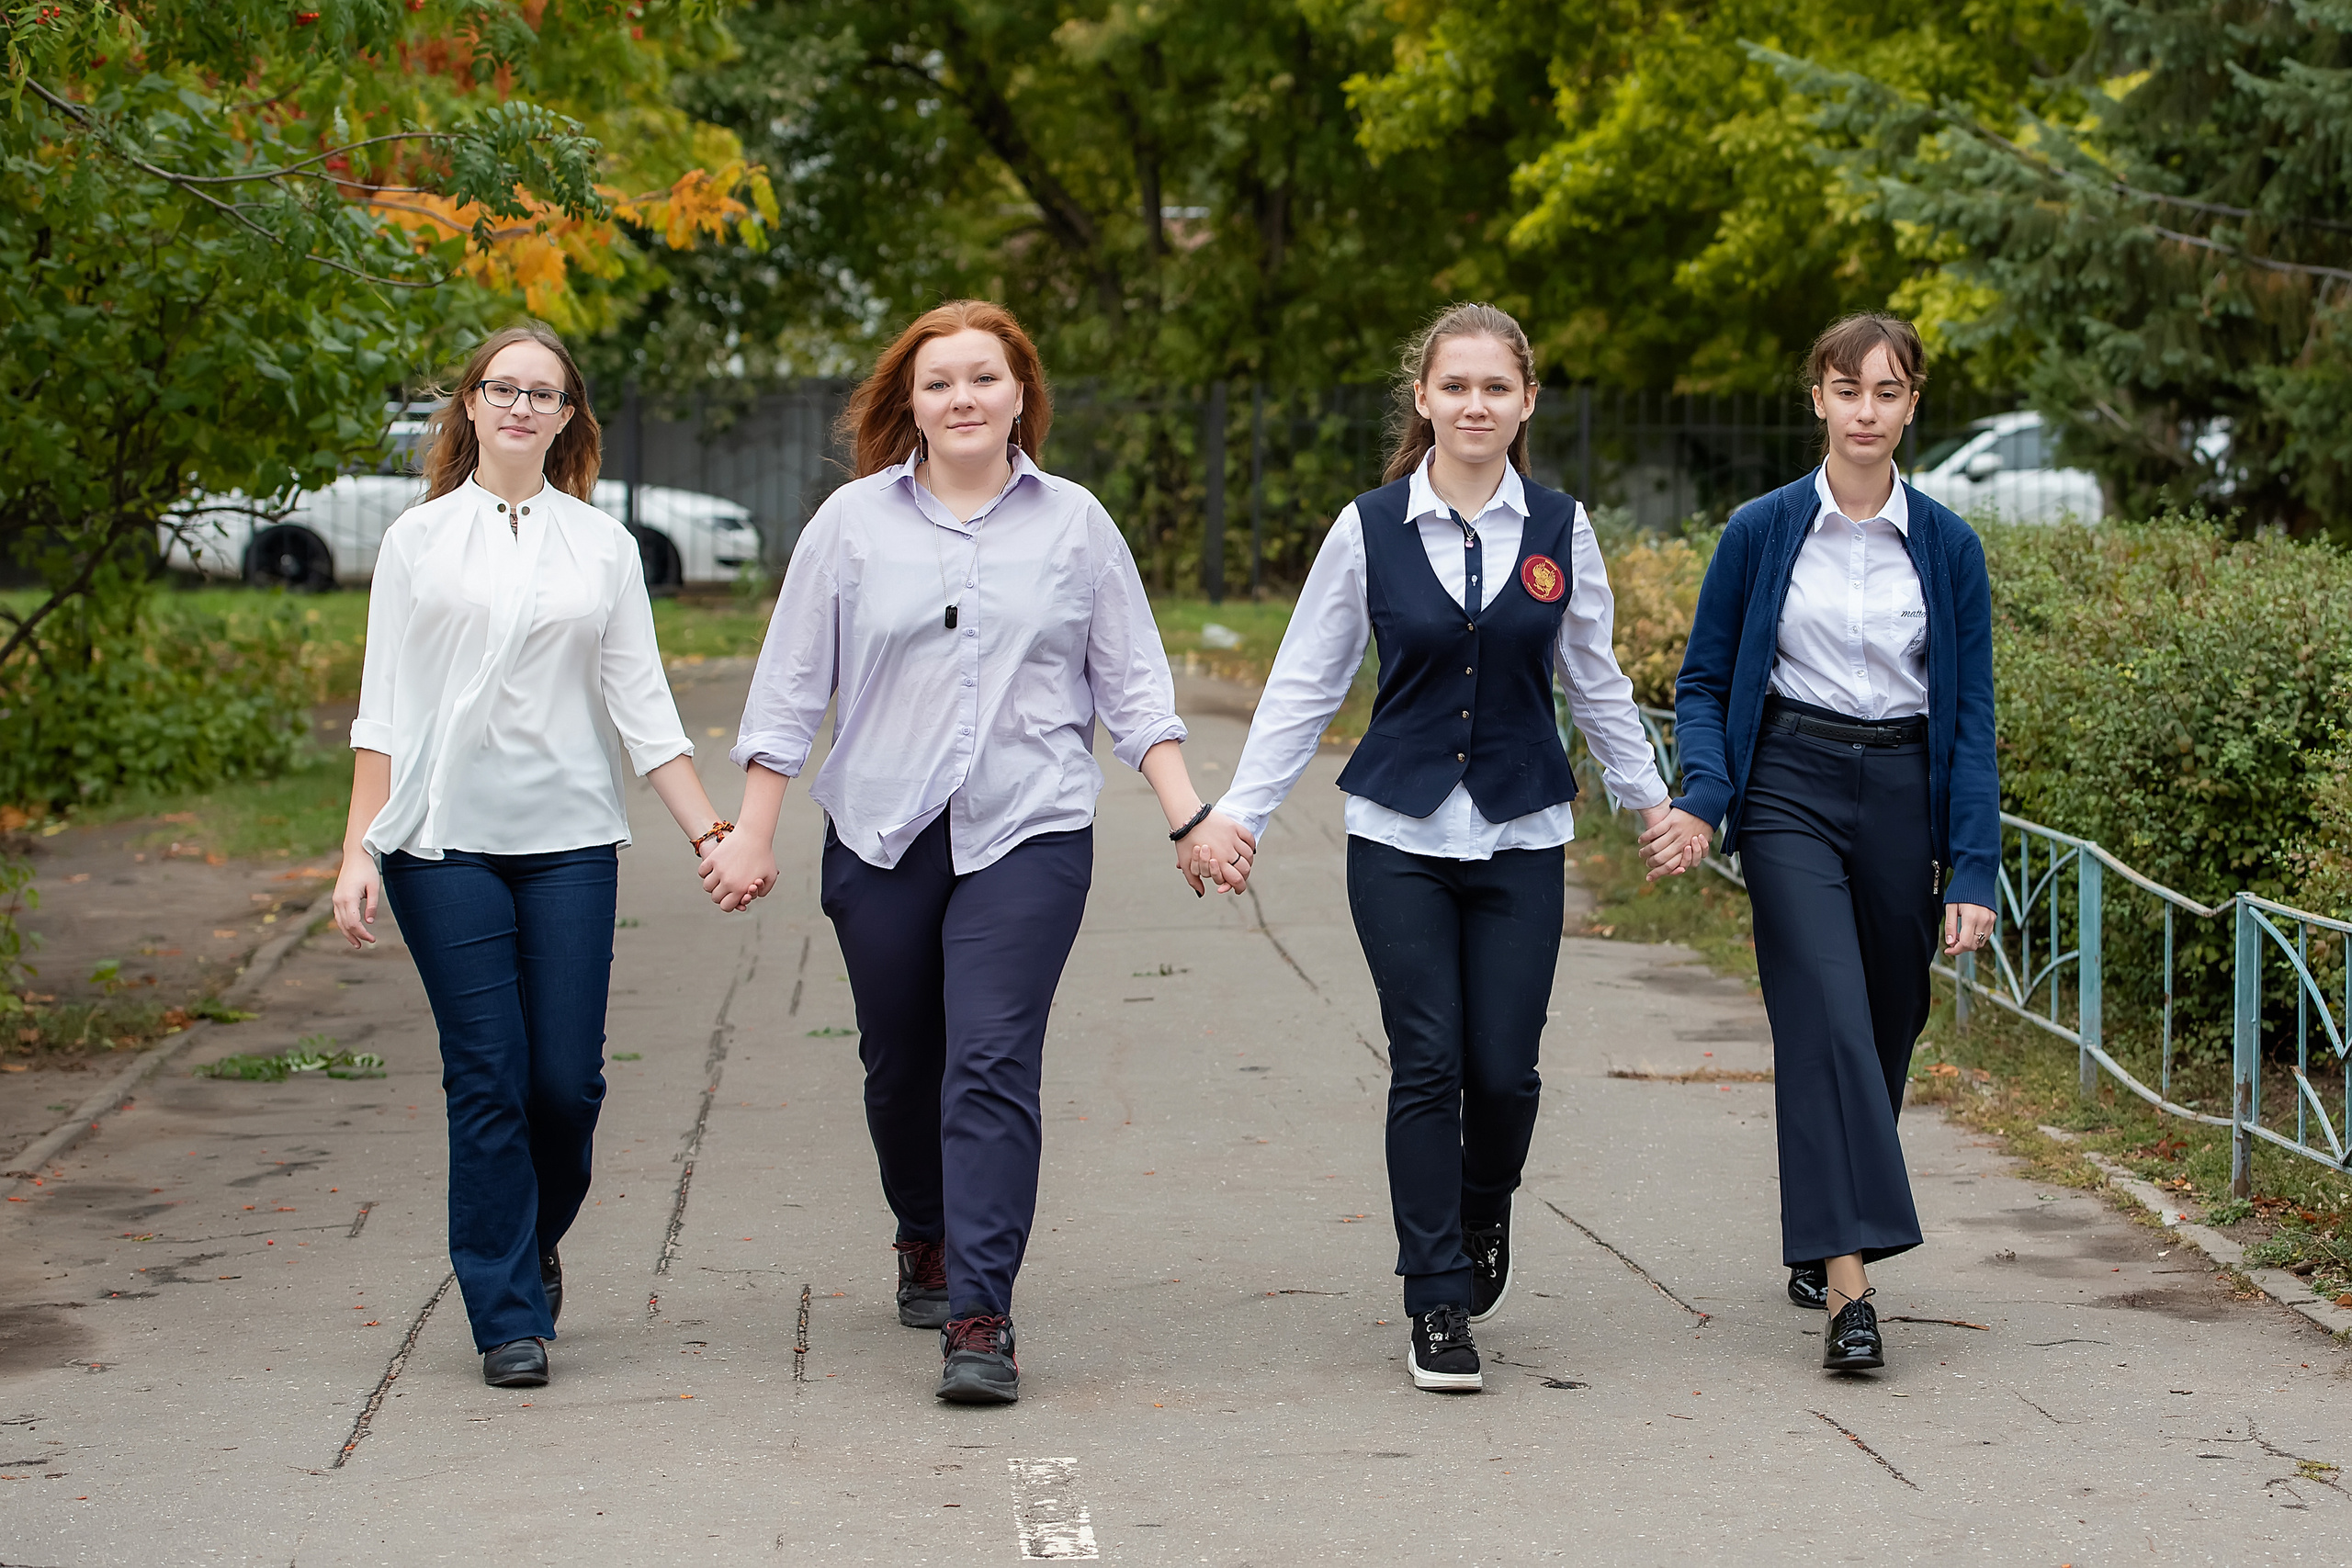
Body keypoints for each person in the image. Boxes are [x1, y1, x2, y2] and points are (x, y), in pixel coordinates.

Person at [702, 299, 1247, 1406]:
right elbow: (790, 689)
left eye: (983, 379)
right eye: (939, 381)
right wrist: (751, 831)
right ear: (910, 400)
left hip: (1028, 827)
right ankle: (925, 1230)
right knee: (901, 1068)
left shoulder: (1076, 524)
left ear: (1018, 394)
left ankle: (982, 1315)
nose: (962, 398)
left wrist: (1187, 816)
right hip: (882, 828)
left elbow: (1133, 683)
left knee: (991, 1060)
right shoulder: (850, 525)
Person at [1209, 303, 1670, 1393]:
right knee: (1427, 1062)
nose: (1474, 405)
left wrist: (1647, 798)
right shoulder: (1369, 526)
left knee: (1503, 1073)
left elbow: (1594, 678)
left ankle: (1481, 1207)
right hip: (1399, 835)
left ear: (1525, 403)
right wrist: (1242, 811)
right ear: (1422, 399)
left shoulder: (1561, 527)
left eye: (1494, 388)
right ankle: (1435, 1300)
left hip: (1520, 832)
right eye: (1453, 386)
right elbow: (1305, 682)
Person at [329, 322, 740, 1390]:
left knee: (564, 1086)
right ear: (470, 404)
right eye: (501, 388)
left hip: (568, 846)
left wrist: (710, 830)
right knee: (489, 1076)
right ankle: (504, 1311)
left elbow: (642, 707)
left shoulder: (599, 548)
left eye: (541, 393)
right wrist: (356, 852)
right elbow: (384, 712)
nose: (519, 405)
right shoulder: (418, 542)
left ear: (567, 418)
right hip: (439, 844)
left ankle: (529, 1234)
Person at [1638, 313, 1998, 1373]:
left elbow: (1970, 716)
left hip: (1899, 793)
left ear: (1912, 405)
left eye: (1887, 394)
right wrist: (1705, 796)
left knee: (1885, 1022)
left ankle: (1822, 1218)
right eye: (1848, 391)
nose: (1866, 412)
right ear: (1817, 400)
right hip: (1789, 782)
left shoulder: (1946, 546)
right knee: (1826, 1019)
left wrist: (1970, 865)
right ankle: (1850, 1288)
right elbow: (1704, 682)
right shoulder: (1758, 532)